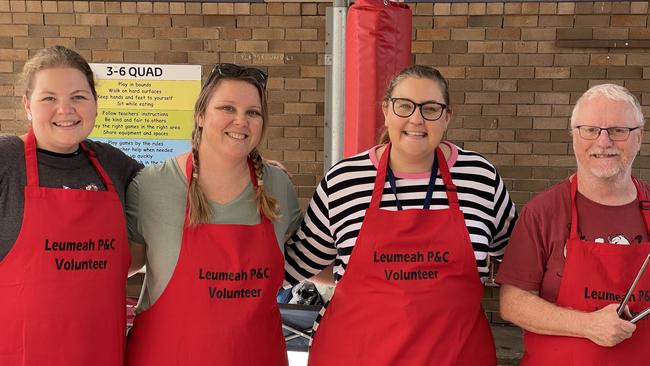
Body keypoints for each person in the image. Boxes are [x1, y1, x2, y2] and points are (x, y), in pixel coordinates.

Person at [284, 65, 517, 365]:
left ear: (447, 117)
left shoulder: (479, 177)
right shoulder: (344, 180)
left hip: (456, 356)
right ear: (386, 110)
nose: (416, 119)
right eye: (404, 105)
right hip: (355, 355)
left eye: (431, 108)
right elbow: (298, 262)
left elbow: (519, 260)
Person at [125, 63, 302, 365]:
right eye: (227, 108)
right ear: (201, 115)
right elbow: (120, 266)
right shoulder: (152, 185)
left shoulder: (277, 185)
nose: (241, 121)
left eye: (253, 112)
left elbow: (308, 257)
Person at [0, 46, 142, 365]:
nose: (66, 110)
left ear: (94, 103)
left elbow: (174, 185)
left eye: (78, 96)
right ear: (27, 105)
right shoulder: (6, 160)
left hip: (100, 352)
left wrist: (250, 166)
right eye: (49, 98)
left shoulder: (112, 163)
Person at [497, 83, 649, 365]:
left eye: (618, 131)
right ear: (574, 137)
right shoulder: (543, 212)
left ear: (638, 138)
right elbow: (512, 303)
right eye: (590, 130)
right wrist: (588, 325)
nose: (603, 142)